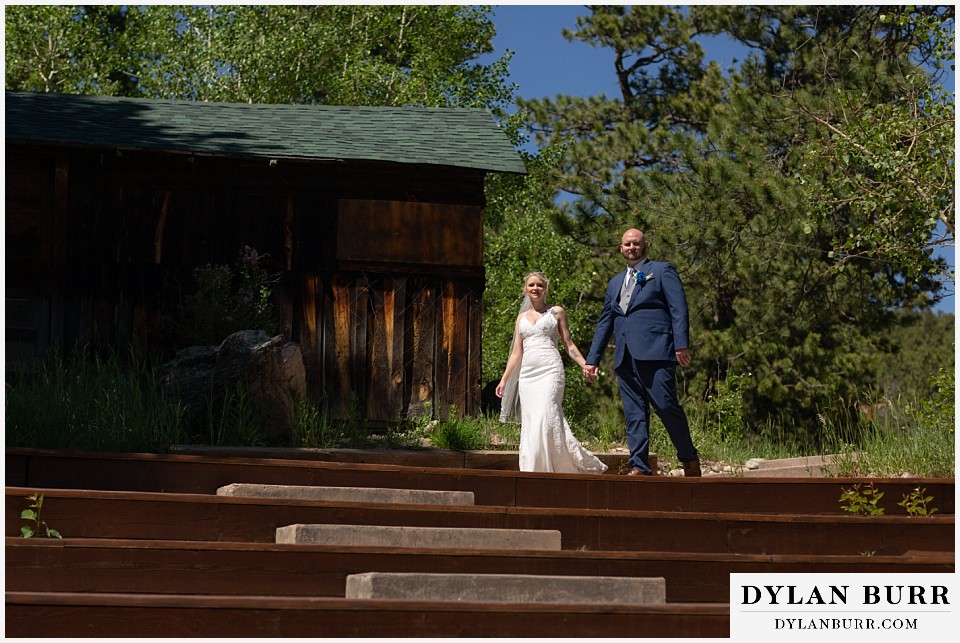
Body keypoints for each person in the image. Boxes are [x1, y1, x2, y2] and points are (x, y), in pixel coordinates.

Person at [583, 228, 701, 477]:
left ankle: (689, 459)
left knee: (666, 406)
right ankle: (639, 466)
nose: (632, 248)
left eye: (636, 244)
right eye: (627, 244)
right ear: (620, 248)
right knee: (634, 413)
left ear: (645, 245)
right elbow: (606, 321)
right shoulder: (615, 282)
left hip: (656, 352)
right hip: (625, 357)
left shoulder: (661, 271)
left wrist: (681, 344)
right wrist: (592, 359)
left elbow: (678, 309)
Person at [496, 271, 608, 474]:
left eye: (539, 285)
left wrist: (586, 364)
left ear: (545, 288)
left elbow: (569, 344)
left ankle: (561, 466)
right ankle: (533, 467)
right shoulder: (521, 318)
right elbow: (516, 353)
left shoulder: (556, 312)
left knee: (547, 415)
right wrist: (504, 379)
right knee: (532, 420)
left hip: (550, 371)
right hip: (528, 376)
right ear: (525, 289)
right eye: (531, 285)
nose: (535, 288)